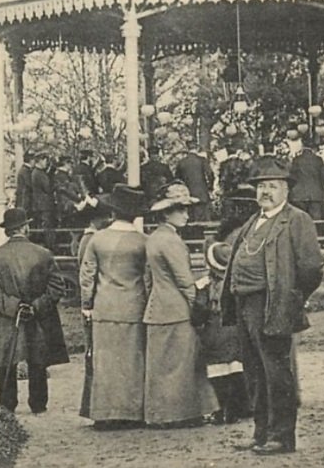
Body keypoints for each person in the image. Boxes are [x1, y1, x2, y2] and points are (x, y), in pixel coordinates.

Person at [220, 156, 324, 455]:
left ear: (286, 190)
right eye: (261, 186)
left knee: (276, 372)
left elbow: (312, 267)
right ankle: (261, 432)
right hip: (244, 305)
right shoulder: (253, 221)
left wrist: (292, 298)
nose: (265, 192)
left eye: (272, 186)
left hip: (272, 305)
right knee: (254, 372)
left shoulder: (297, 220)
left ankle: (281, 436)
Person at [142, 182, 220, 428]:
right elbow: (185, 281)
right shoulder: (172, 241)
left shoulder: (153, 239)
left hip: (157, 307)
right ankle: (181, 414)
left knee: (163, 365)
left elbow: (148, 279)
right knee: (181, 364)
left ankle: (160, 414)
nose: (186, 215)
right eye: (180, 210)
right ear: (166, 213)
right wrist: (198, 306)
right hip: (176, 309)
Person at [0, 208, 70, 414]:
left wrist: (14, 306)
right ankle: (38, 404)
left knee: (6, 359)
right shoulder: (43, 255)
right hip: (38, 316)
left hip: (5, 317)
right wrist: (35, 306)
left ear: (7, 231)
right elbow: (57, 288)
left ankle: (7, 404)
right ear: (25, 227)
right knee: (37, 358)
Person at [79, 184, 149, 429]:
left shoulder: (98, 240)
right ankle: (132, 413)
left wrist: (87, 304)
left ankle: (105, 413)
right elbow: (148, 279)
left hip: (104, 307)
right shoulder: (143, 242)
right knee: (132, 360)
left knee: (106, 361)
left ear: (113, 212)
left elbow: (87, 276)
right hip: (134, 306)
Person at [196, 186, 255, 424]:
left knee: (219, 370)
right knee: (238, 365)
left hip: (213, 333)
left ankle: (224, 409)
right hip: (235, 324)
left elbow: (198, 310)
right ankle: (244, 405)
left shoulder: (222, 237)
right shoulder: (250, 231)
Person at [76, 198, 114, 419]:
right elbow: (86, 277)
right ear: (95, 219)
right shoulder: (90, 241)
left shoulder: (91, 239)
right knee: (94, 353)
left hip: (95, 302)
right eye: (105, 217)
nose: (108, 220)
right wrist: (86, 305)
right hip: (93, 304)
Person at [174, 147, 213, 222]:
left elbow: (177, 179)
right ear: (197, 149)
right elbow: (210, 174)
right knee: (203, 220)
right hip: (202, 193)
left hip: (187, 194)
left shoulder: (182, 162)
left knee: (190, 219)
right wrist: (210, 187)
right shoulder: (202, 160)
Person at [288, 141, 324, 219]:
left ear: (302, 146)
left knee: (300, 219)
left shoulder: (297, 160)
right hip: (315, 194)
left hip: (299, 194)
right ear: (313, 148)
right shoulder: (318, 160)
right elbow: (323, 176)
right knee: (316, 221)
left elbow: (292, 176)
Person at [30, 152, 55, 231]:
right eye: (45, 160)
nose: (46, 163)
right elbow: (48, 188)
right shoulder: (40, 173)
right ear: (40, 161)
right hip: (44, 206)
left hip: (39, 205)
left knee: (41, 228)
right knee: (47, 228)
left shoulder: (35, 172)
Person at [15, 150, 36, 216]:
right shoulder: (25, 171)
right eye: (34, 160)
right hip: (25, 202)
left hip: (24, 201)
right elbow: (30, 185)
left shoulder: (24, 170)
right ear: (31, 160)